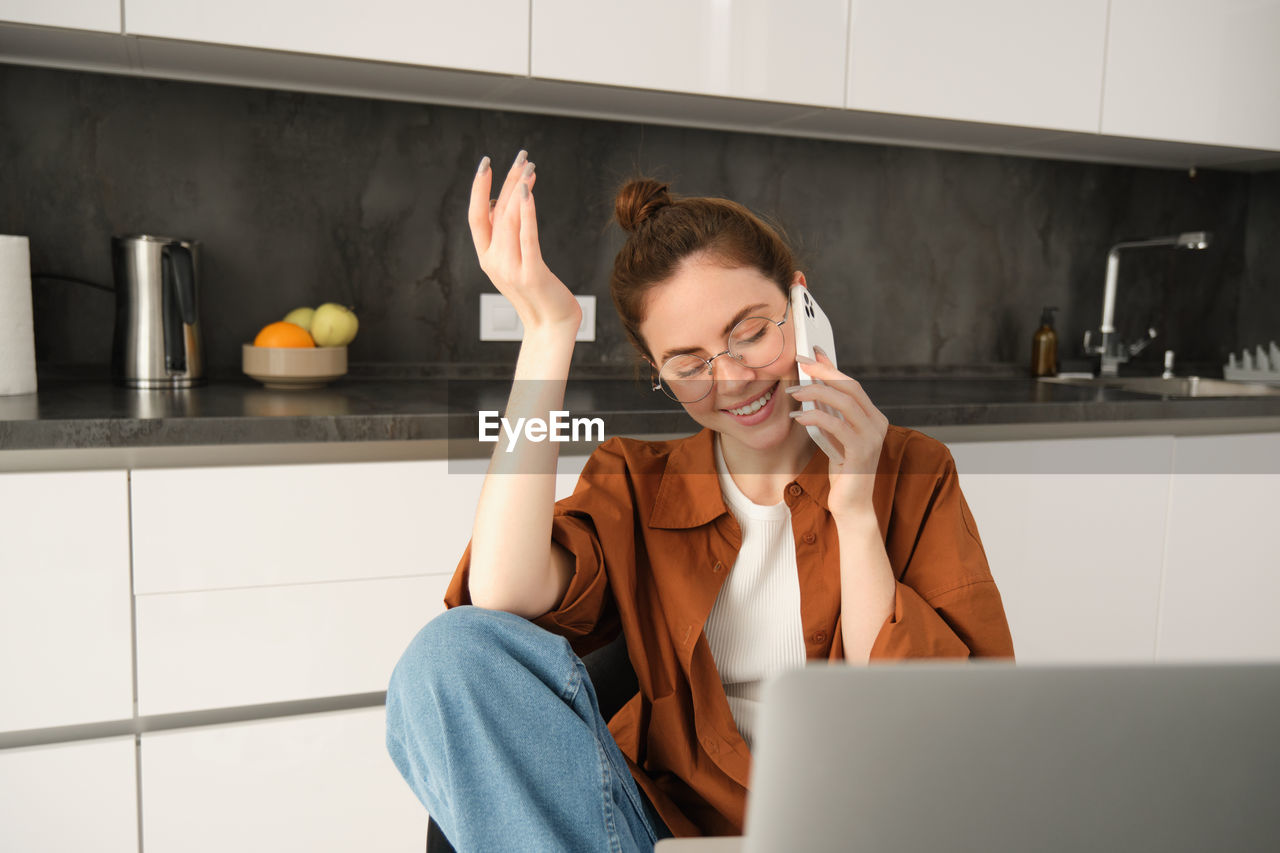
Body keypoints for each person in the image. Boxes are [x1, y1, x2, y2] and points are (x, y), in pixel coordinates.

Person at [385, 150, 1015, 850]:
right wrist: (547, 334)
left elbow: (927, 727)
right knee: (449, 652)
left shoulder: (913, 469)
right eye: (689, 364)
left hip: (852, 829)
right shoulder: (637, 479)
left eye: (751, 331)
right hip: (660, 833)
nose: (735, 377)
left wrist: (856, 510)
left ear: (801, 305)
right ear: (658, 372)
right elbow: (500, 591)